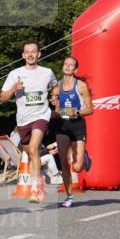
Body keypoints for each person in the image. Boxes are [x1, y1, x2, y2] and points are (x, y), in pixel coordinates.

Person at [0, 42, 57, 203]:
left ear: (39, 54)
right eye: (27, 52)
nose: (30, 55)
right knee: (31, 154)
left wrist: (55, 97)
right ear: (23, 55)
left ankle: (34, 188)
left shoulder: (47, 72)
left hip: (41, 116)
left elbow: (55, 86)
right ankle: (38, 181)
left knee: (33, 148)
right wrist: (13, 89)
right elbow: (2, 98)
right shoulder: (14, 74)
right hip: (23, 120)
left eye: (33, 52)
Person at [50, 56, 93, 208]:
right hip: (62, 127)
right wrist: (55, 106)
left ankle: (85, 158)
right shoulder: (56, 87)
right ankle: (69, 196)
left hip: (77, 126)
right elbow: (56, 111)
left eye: (71, 65)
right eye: (66, 64)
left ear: (75, 70)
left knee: (77, 167)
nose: (67, 67)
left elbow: (90, 109)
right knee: (63, 162)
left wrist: (76, 111)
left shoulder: (81, 86)